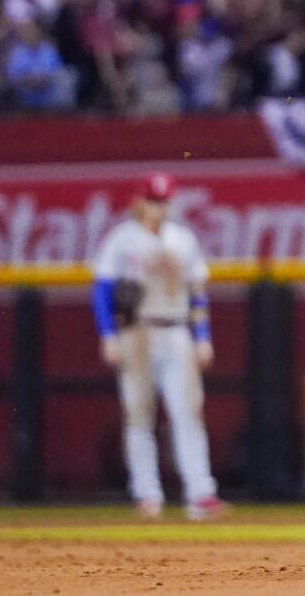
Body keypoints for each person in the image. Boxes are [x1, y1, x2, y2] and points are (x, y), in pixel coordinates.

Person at [90, 172, 228, 521]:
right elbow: (103, 290)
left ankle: (201, 494)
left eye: (164, 201)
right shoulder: (123, 239)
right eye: (153, 200)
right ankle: (147, 495)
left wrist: (203, 337)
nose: (159, 207)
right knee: (139, 415)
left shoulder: (183, 238)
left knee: (189, 413)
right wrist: (107, 334)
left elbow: (197, 292)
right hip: (137, 331)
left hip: (177, 328)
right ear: (139, 200)